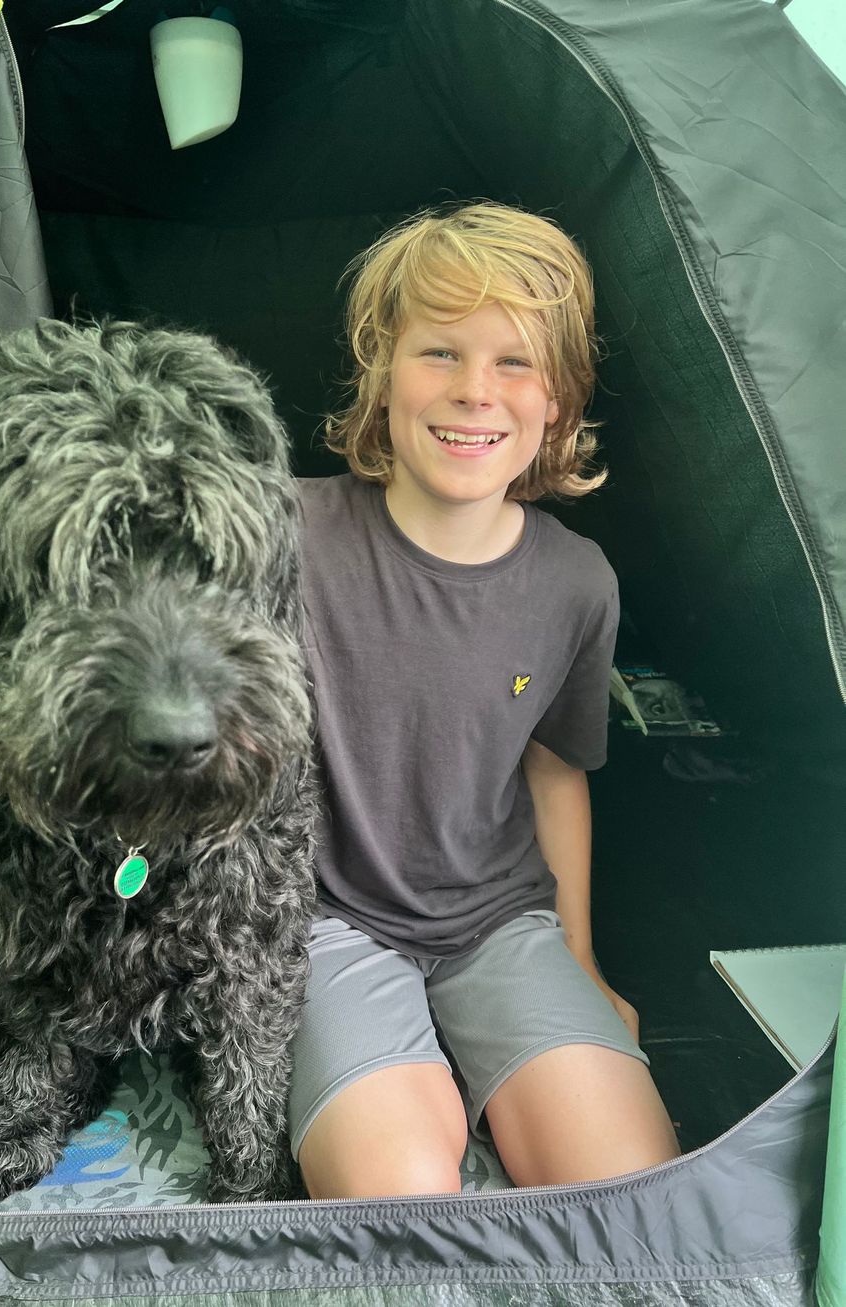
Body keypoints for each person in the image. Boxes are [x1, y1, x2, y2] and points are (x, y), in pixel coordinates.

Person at [290, 201, 681, 1200]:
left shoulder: (575, 581)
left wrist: (583, 959)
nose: (473, 392)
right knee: (401, 1196)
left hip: (499, 922)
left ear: (558, 399)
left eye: (513, 362)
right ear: (381, 373)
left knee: (628, 1188)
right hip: (324, 919)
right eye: (438, 352)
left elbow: (554, 772)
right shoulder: (282, 531)